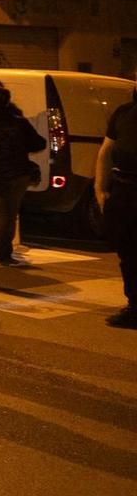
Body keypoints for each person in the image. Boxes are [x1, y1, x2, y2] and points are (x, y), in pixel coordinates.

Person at [0, 85, 46, 267]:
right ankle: (2, 253)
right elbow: (38, 144)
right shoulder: (17, 122)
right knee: (6, 213)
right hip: (12, 173)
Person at [100, 95, 136, 328]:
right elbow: (107, 150)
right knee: (129, 253)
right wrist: (100, 188)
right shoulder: (124, 112)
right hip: (126, 189)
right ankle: (134, 306)